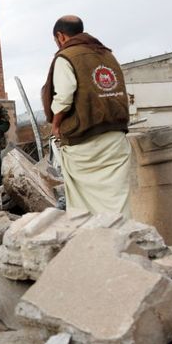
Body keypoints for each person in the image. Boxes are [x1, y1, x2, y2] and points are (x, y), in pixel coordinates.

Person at [41, 15, 131, 216]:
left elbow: (64, 96)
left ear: (60, 36)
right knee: (117, 199)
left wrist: (56, 125)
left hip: (85, 142)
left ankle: (95, 244)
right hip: (116, 137)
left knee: (84, 202)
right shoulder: (107, 54)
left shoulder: (66, 57)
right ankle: (125, 241)